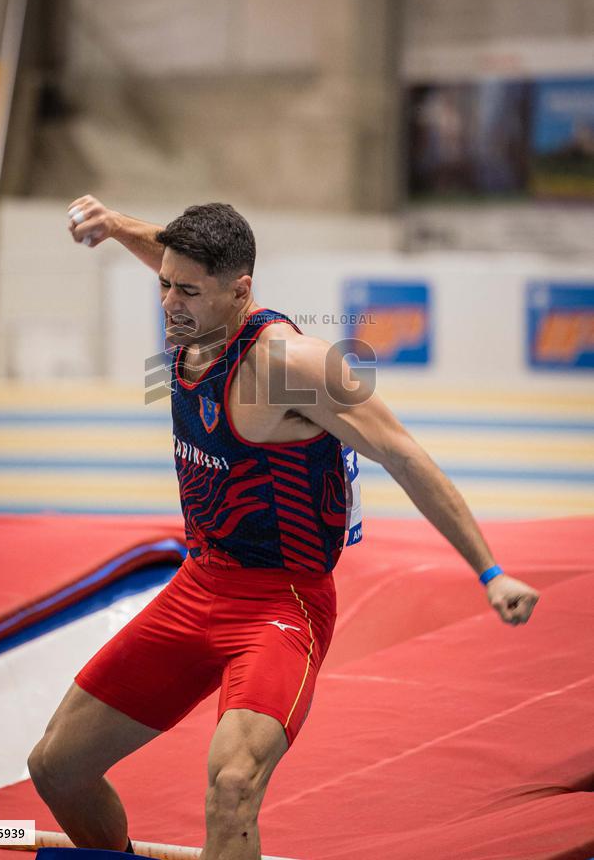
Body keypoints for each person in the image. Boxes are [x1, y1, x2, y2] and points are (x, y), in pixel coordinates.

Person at [28, 197, 540, 860]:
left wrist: (490, 572)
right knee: (56, 767)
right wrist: (116, 224)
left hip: (280, 604)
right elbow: (173, 255)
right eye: (164, 284)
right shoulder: (193, 311)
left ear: (240, 291)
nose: (171, 304)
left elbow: (404, 453)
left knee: (233, 784)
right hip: (196, 585)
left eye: (188, 291)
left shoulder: (289, 367)